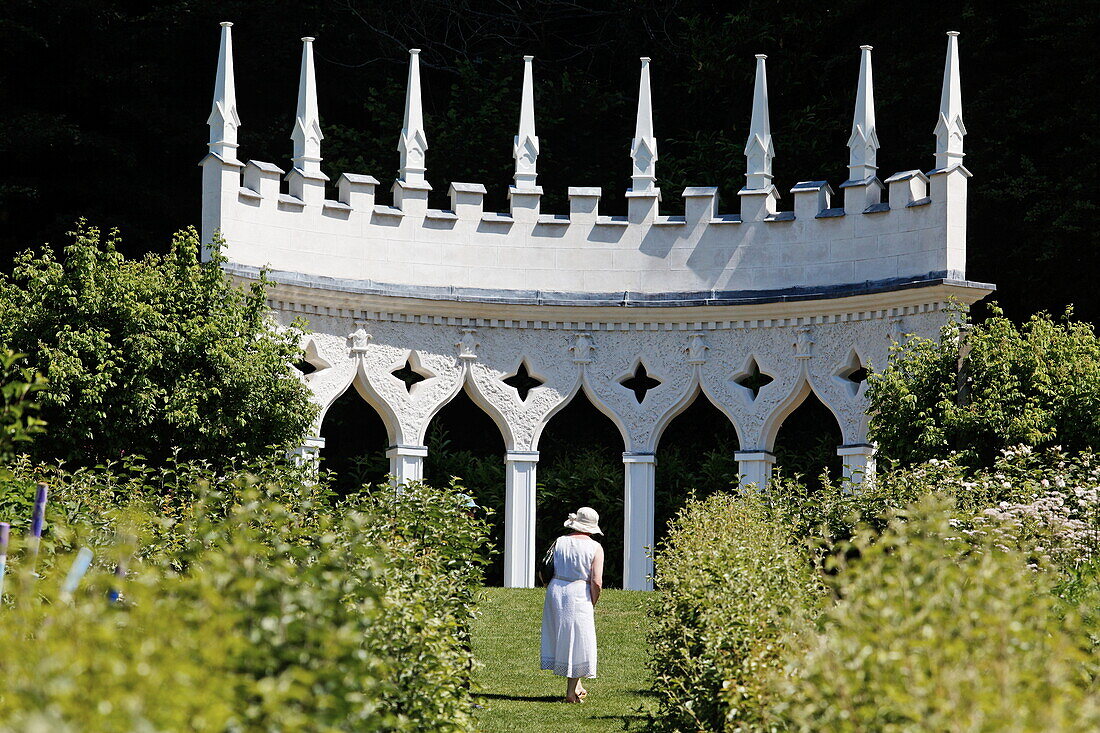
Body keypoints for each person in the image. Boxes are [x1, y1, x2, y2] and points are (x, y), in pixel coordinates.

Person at [540, 506, 604, 703]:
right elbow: (596, 581)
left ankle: (577, 686)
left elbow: (544, 567)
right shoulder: (595, 547)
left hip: (556, 589)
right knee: (578, 640)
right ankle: (570, 694)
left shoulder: (559, 542)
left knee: (563, 636)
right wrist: (593, 600)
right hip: (578, 592)